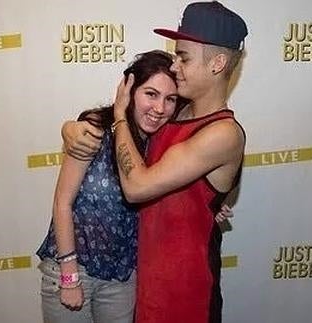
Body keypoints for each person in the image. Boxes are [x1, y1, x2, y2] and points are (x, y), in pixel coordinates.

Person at [62, 2, 248, 322]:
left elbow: (136, 186)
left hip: (188, 296)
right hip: (144, 290)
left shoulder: (223, 134)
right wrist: (72, 128)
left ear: (218, 63)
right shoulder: (176, 113)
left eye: (184, 57)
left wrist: (119, 117)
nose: (175, 66)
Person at [36, 50, 233, 323]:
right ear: (129, 91)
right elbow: (62, 202)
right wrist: (69, 275)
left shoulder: (162, 144)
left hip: (123, 277)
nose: (160, 108)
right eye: (150, 94)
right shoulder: (94, 130)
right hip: (73, 270)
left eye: (170, 99)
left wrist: (209, 204)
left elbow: (170, 190)